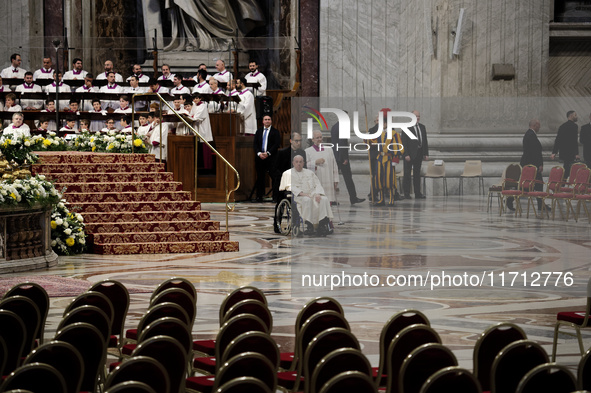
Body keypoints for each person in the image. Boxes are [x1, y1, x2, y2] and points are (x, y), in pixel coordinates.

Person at [285, 155, 334, 236]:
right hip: (300, 197)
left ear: (303, 163)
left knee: (323, 199)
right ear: (293, 163)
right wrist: (302, 193)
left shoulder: (310, 173)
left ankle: (321, 225)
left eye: (300, 162)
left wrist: (318, 193)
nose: (299, 164)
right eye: (296, 162)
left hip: (313, 194)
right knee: (307, 200)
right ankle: (309, 225)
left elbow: (317, 184)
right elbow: (290, 186)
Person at [272, 131, 306, 233]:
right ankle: (277, 224)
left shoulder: (302, 153)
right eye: (296, 141)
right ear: (291, 141)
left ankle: (297, 225)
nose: (298, 143)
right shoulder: (282, 153)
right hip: (284, 182)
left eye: (300, 141)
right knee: (280, 204)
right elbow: (275, 169)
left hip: (297, 183)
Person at [515, 119, 550, 213]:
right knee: (536, 184)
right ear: (535, 125)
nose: (540, 127)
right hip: (532, 165)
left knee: (529, 186)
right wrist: (539, 165)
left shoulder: (530, 134)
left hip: (530, 164)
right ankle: (540, 204)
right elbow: (535, 152)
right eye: (539, 125)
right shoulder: (531, 135)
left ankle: (540, 204)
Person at [330, 118, 365, 205]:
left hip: (335, 155)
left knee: (332, 178)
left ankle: (331, 199)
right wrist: (345, 158)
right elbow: (342, 143)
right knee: (348, 178)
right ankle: (353, 198)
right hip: (341, 157)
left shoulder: (334, 127)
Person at [305, 130, 339, 204]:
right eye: (317, 138)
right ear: (312, 139)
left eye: (320, 137)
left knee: (328, 200)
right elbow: (305, 166)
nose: (319, 139)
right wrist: (315, 162)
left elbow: (334, 165)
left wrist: (336, 180)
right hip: (316, 180)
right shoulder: (308, 151)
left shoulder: (329, 150)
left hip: (328, 180)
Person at [401, 110, 429, 199]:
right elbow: (404, 142)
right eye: (415, 116)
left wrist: (425, 153)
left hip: (419, 153)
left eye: (418, 116)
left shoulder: (422, 127)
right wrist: (405, 154)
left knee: (417, 174)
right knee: (407, 174)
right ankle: (406, 193)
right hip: (409, 154)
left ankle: (417, 193)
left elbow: (425, 141)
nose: (417, 118)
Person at [253, 115, 281, 202]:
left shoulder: (275, 132)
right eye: (265, 119)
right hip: (260, 158)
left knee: (274, 177)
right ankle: (259, 196)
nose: (267, 121)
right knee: (260, 177)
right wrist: (259, 153)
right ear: (263, 121)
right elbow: (255, 144)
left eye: (269, 119)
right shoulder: (258, 131)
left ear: (271, 121)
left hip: (271, 158)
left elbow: (276, 144)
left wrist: (268, 153)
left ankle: (275, 197)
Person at [374, 126, 404, 206]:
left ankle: (391, 198)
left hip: (389, 158)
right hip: (380, 157)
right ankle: (382, 199)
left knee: (389, 179)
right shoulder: (379, 133)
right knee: (379, 178)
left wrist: (395, 158)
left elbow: (398, 147)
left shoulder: (394, 134)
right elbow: (373, 142)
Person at [551, 110, 580, 178]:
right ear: (571, 116)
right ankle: (563, 184)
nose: (577, 116)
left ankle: (563, 183)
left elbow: (558, 140)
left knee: (566, 167)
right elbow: (574, 141)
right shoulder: (574, 126)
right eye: (575, 115)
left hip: (563, 152)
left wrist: (554, 152)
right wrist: (576, 153)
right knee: (569, 170)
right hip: (571, 152)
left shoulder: (562, 126)